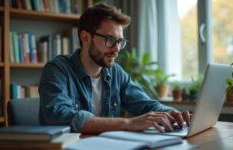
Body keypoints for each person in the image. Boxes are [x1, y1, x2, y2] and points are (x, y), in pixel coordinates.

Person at [39, 3, 190, 133]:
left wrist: (171, 113)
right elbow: (58, 116)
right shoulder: (57, 70)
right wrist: (128, 123)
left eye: (119, 41)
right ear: (85, 38)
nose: (117, 49)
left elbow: (145, 104)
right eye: (110, 40)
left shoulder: (115, 73)